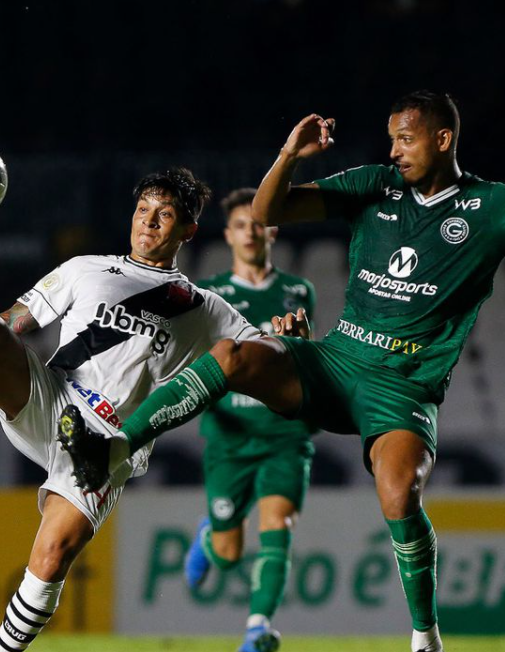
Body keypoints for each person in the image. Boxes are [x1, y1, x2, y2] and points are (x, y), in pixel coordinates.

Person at [58, 91, 505, 652]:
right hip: (337, 362)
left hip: (402, 389)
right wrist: (290, 155)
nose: (393, 150)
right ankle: (111, 449)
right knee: (232, 358)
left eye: (405, 139)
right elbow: (271, 211)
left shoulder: (491, 207)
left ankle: (425, 637)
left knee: (399, 493)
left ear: (443, 139)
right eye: (391, 139)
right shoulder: (375, 186)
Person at [0, 168, 303, 652]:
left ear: (187, 231)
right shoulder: (84, 268)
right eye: (142, 211)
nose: (148, 223)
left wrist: (285, 338)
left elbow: (259, 348)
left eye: (165, 215)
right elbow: (12, 322)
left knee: (52, 555)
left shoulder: (205, 308)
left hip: (104, 444)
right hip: (51, 400)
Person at [183, 188, 317, 652]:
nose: (250, 232)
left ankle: (258, 627)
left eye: (258, 224)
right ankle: (210, 534)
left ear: (272, 230)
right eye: (241, 225)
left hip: (284, 434)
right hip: (230, 437)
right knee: (228, 554)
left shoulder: (299, 292)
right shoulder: (211, 294)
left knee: (279, 527)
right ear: (228, 235)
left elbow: (304, 360)